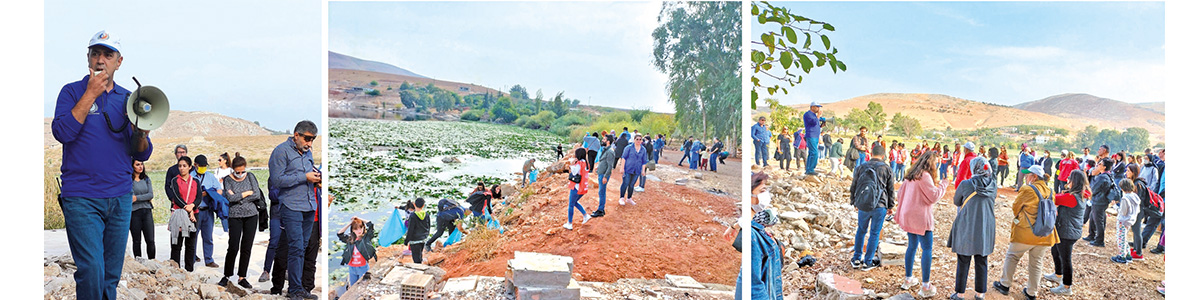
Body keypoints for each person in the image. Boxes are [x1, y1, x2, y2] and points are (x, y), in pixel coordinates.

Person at [51, 30, 156, 300]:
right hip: (82, 197)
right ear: (88, 58)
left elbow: (142, 154)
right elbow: (62, 132)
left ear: (118, 62)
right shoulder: (71, 91)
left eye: (107, 55)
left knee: (111, 273)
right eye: (95, 53)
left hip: (120, 197)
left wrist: (141, 132)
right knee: (91, 269)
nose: (101, 60)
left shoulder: (130, 98)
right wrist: (90, 94)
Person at [267, 120, 320, 299]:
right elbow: (277, 180)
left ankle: (300, 288)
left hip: (309, 205)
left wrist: (317, 180)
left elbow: (309, 174)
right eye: (307, 138)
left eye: (313, 139)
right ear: (296, 135)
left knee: (302, 248)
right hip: (291, 206)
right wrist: (304, 177)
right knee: (296, 247)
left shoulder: (308, 153)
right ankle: (294, 289)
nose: (309, 143)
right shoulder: (280, 151)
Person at [993, 165, 1058, 300]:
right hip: (1045, 234)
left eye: (1028, 175)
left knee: (1012, 256)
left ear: (1034, 177)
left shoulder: (1028, 189)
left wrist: (1019, 218)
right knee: (1036, 263)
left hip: (1026, 233)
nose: (1026, 177)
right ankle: (1031, 292)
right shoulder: (1051, 191)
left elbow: (1016, 207)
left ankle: (1005, 284)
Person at [894, 151, 949, 298]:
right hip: (920, 217)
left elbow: (899, 194)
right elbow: (934, 196)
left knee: (911, 246)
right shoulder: (925, 176)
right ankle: (925, 286)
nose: (937, 165)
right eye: (936, 162)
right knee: (927, 249)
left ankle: (908, 279)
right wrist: (944, 184)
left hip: (908, 215)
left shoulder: (911, 174)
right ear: (931, 162)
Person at [948, 157, 997, 300]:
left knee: (963, 259)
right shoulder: (993, 185)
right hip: (985, 227)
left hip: (967, 225)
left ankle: (960, 294)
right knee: (982, 260)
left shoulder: (965, 184)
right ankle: (980, 294)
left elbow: (957, 201)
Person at [219, 154, 262, 289]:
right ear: (233, 169)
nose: (241, 174)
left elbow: (257, 194)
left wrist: (239, 198)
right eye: (238, 172)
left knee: (246, 247)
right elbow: (230, 198)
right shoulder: (228, 180)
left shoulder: (250, 177)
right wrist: (246, 193)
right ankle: (227, 275)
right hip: (235, 216)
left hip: (251, 215)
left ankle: (242, 276)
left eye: (243, 171)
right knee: (233, 246)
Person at [849, 145, 895, 270]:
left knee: (861, 230)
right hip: (880, 205)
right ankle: (867, 262)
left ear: (871, 153)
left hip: (863, 204)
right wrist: (890, 206)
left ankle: (856, 258)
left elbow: (854, 186)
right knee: (874, 233)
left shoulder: (861, 167)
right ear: (883, 156)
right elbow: (890, 189)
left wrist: (854, 201)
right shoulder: (887, 168)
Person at [1044, 169, 1089, 295]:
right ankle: (1058, 274)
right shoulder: (1080, 193)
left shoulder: (1072, 197)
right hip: (1067, 229)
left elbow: (1054, 198)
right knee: (1055, 251)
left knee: (1066, 259)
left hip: (1067, 232)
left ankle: (1067, 286)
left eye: (1069, 178)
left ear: (1073, 181)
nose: (1067, 180)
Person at [742, 171, 783, 300]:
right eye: (762, 190)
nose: (766, 195)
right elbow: (753, 287)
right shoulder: (752, 236)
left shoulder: (756, 228)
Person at [168, 156, 200, 272]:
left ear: (190, 167)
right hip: (179, 213)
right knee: (176, 243)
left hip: (194, 214)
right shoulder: (174, 180)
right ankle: (175, 270)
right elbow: (176, 198)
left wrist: (193, 207)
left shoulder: (195, 181)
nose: (182, 168)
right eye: (180, 166)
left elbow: (199, 197)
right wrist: (189, 209)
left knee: (190, 244)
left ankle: (189, 270)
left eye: (184, 166)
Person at [192, 155, 220, 268]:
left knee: (208, 237)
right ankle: (192, 257)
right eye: (201, 166)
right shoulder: (190, 176)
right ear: (195, 165)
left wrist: (211, 193)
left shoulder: (210, 177)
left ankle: (209, 259)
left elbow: (219, 189)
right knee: (193, 236)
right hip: (195, 211)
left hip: (208, 211)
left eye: (205, 166)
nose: (203, 168)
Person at [1082, 158, 1117, 248]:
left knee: (1098, 220)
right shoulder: (1109, 175)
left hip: (1099, 201)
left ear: (1104, 167)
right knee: (1094, 217)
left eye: (1100, 164)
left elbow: (1094, 189)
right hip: (1101, 200)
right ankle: (1092, 235)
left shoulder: (1102, 177)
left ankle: (1099, 240)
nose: (1097, 165)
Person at [338, 217, 376, 286]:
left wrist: (359, 218)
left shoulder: (366, 238)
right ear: (352, 230)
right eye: (356, 229)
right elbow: (340, 234)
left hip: (363, 267)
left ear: (363, 228)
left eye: (361, 228)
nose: (359, 231)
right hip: (352, 268)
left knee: (362, 287)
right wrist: (350, 223)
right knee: (353, 287)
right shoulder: (350, 240)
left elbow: (371, 225)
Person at [1111, 178, 1141, 264]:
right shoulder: (1135, 197)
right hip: (1131, 220)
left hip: (1123, 221)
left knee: (1120, 238)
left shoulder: (1125, 198)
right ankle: (1128, 255)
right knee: (1124, 237)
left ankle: (1122, 256)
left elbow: (1122, 212)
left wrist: (1115, 206)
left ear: (1123, 188)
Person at [130, 159, 155, 260]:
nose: (140, 166)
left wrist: (137, 198)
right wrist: (142, 197)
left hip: (147, 211)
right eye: (137, 164)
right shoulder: (129, 180)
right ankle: (138, 263)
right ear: (132, 166)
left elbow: (150, 195)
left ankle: (152, 261)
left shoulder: (146, 179)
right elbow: (130, 197)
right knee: (136, 240)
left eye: (142, 164)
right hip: (134, 212)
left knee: (150, 240)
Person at [564, 148, 592, 229]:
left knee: (571, 205)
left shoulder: (579, 163)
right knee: (575, 202)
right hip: (583, 187)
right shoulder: (586, 163)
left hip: (577, 187)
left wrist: (572, 164)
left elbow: (574, 172)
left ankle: (569, 223)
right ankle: (585, 215)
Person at [591, 138, 617, 218]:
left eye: (604, 139)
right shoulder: (606, 150)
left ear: (608, 141)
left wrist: (605, 177)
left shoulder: (610, 151)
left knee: (602, 192)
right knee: (601, 192)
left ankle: (600, 210)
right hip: (601, 173)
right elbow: (603, 161)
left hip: (603, 175)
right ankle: (601, 209)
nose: (602, 140)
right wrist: (598, 167)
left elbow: (610, 166)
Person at [619, 135, 649, 206]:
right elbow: (624, 158)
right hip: (628, 168)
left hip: (637, 170)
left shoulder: (643, 150)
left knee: (632, 185)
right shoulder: (628, 148)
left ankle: (629, 198)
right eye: (637, 139)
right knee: (625, 183)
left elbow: (644, 161)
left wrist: (643, 170)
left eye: (640, 139)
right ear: (634, 140)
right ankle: (621, 198)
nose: (638, 141)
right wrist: (622, 168)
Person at [404, 198, 430, 263]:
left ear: (414, 205)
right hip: (423, 238)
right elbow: (428, 226)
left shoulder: (413, 216)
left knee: (415, 257)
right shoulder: (426, 214)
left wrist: (406, 241)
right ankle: (420, 264)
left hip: (414, 240)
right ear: (423, 205)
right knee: (420, 254)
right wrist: (426, 235)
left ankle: (418, 268)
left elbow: (410, 230)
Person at [803, 102, 825, 174]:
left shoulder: (813, 115)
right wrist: (818, 116)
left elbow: (815, 125)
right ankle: (811, 169)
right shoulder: (808, 114)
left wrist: (821, 125)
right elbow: (813, 122)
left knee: (811, 153)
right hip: (811, 135)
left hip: (815, 136)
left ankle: (809, 169)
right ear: (812, 107)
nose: (818, 109)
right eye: (817, 107)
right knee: (814, 153)